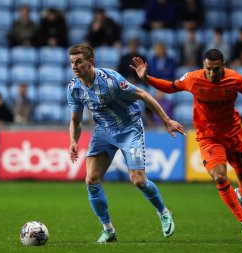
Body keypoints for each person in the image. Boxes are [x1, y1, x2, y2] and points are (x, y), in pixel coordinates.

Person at [130, 49, 242, 242]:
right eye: (208, 69)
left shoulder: (235, 79)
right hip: (208, 137)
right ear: (203, 66)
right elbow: (171, 87)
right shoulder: (193, 79)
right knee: (220, 177)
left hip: (233, 135)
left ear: (224, 65)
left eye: (216, 69)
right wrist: (147, 78)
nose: (212, 74)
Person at [67, 44, 185, 243]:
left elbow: (143, 95)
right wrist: (73, 141)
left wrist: (166, 120)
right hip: (104, 131)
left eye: (78, 62)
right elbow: (76, 121)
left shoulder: (111, 81)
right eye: (72, 62)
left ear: (90, 62)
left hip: (129, 128)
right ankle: (108, 230)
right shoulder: (74, 88)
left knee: (138, 180)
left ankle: (163, 212)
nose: (74, 67)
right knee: (91, 179)